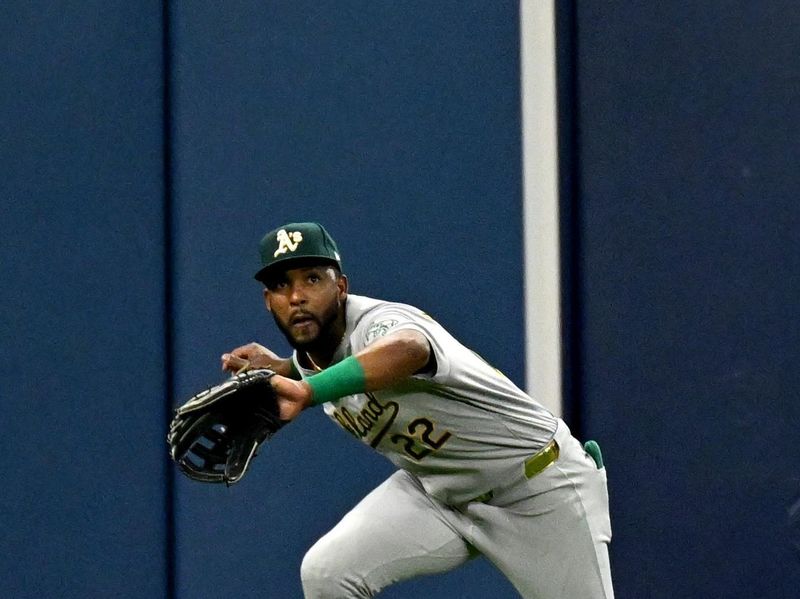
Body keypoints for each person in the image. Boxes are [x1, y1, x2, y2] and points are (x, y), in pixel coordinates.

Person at [221, 222, 614, 599]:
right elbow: (325, 366)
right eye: (280, 285)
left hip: (537, 487)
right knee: (327, 572)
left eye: (311, 278)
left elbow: (409, 348)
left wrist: (307, 389)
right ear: (267, 301)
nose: (296, 297)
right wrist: (286, 369)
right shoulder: (310, 361)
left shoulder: (381, 322)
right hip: (437, 493)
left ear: (340, 287)